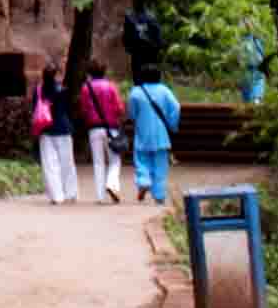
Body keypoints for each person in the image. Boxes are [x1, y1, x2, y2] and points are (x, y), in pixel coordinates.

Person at [129, 68, 181, 205]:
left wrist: (136, 119)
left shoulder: (136, 92)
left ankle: (144, 181)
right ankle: (158, 194)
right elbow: (176, 107)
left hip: (142, 133)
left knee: (141, 159)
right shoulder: (164, 90)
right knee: (160, 165)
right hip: (161, 134)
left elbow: (132, 114)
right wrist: (172, 123)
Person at [77, 62, 127, 200]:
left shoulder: (85, 88)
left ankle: (100, 196)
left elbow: (83, 109)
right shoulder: (110, 86)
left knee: (98, 162)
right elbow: (119, 108)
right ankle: (111, 184)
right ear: (104, 72)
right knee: (115, 160)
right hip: (111, 129)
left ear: (90, 73)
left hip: (93, 129)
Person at [33, 64, 78, 206]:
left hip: (45, 129)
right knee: (67, 162)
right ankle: (70, 193)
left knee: (50, 164)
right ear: (56, 75)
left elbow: (34, 108)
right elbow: (68, 108)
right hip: (63, 129)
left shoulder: (38, 90)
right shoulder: (62, 90)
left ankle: (56, 196)